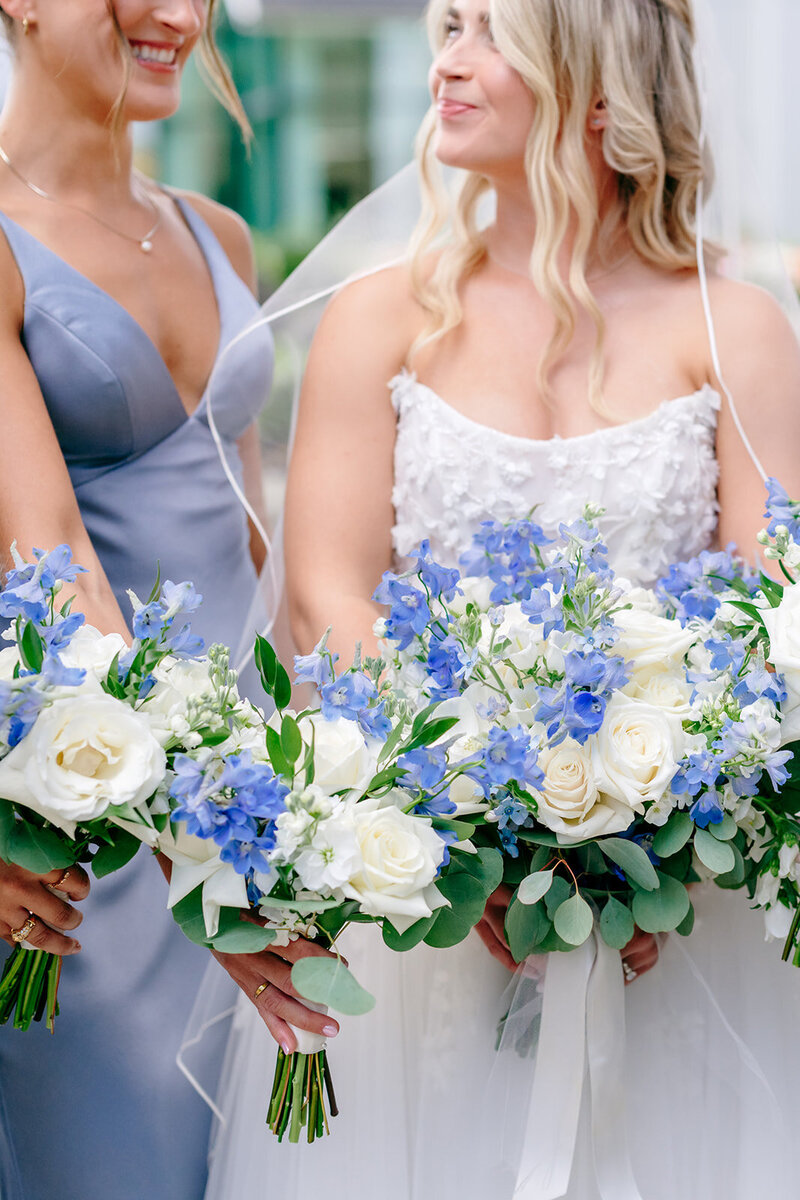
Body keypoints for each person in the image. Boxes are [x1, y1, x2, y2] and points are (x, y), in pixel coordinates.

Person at [203, 0, 800, 1197]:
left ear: (590, 83)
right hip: (420, 889)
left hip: (678, 916)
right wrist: (485, 821)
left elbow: (772, 613)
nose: (448, 59)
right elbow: (326, 589)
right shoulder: (384, 316)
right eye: (445, 26)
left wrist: (637, 853)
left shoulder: (731, 327)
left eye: (487, 31)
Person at [0, 3, 335, 1198]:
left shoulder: (220, 235)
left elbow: (255, 547)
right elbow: (49, 560)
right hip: (101, 820)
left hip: (257, 805)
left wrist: (313, 809)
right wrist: (205, 864)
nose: (179, 17)